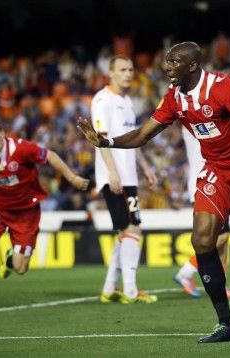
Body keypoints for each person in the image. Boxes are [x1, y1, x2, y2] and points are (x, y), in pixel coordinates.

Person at [78, 42, 230, 343]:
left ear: (192, 66)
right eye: (166, 60)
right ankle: (226, 324)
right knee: (202, 239)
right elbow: (143, 134)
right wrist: (107, 143)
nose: (167, 66)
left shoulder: (221, 87)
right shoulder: (174, 97)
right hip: (216, 171)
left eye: (174, 61)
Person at [0, 114, 89, 314]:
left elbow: (51, 156)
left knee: (21, 268)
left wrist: (71, 177)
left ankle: (12, 258)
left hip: (26, 212)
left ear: (3, 134)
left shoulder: (21, 149)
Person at [92, 55, 158, 304]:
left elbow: (134, 140)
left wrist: (145, 167)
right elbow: (100, 140)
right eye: (123, 69)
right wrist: (112, 171)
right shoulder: (102, 100)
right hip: (114, 176)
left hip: (129, 176)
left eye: (131, 69)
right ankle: (130, 290)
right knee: (133, 229)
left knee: (126, 231)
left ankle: (110, 288)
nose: (128, 73)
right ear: (111, 72)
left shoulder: (128, 101)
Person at [173, 127, 230, 300]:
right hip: (203, 186)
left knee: (224, 238)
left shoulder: (210, 124)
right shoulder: (191, 124)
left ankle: (222, 286)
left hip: (219, 185)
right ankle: (185, 272)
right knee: (215, 238)